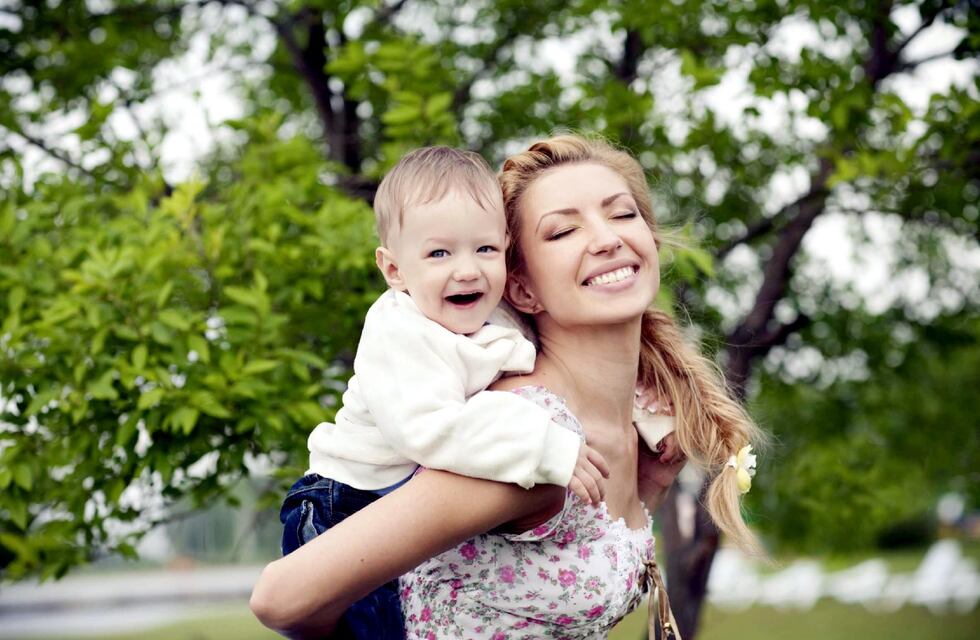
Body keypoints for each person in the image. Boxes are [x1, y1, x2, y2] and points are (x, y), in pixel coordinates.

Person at [251, 134, 763, 639]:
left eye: (623, 214)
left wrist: (646, 487)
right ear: (520, 286)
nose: (607, 238)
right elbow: (282, 598)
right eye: (563, 231)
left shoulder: (632, 437)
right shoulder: (518, 437)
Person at [279, 146, 611, 639]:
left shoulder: (479, 319)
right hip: (341, 505)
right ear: (394, 271)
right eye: (439, 253)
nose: (467, 270)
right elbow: (431, 431)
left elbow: (570, 359)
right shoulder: (399, 331)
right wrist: (541, 446)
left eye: (485, 249)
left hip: (392, 501)